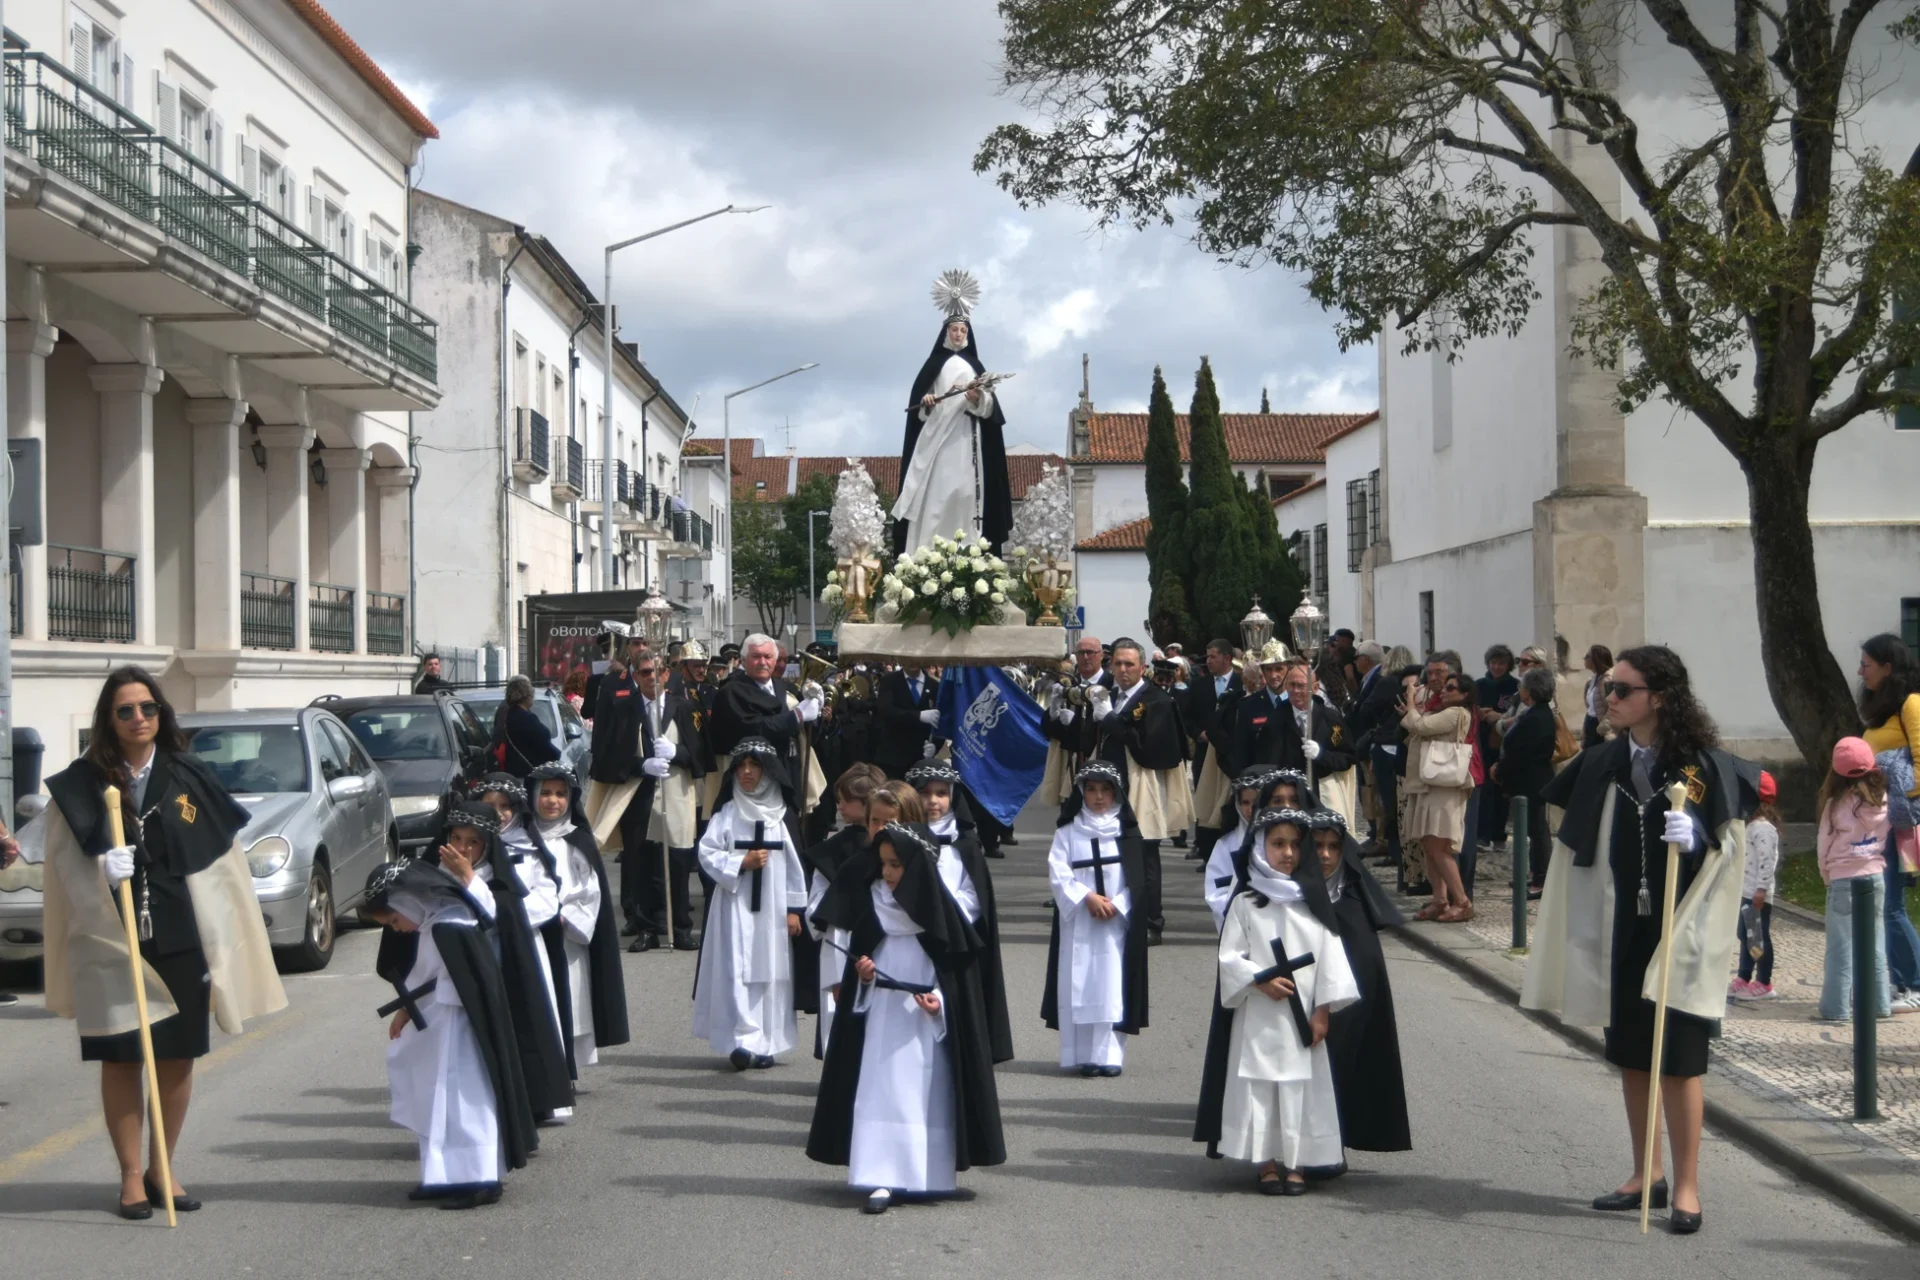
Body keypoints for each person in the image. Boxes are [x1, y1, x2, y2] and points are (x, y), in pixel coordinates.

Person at [37, 666, 286, 1219]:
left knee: (176, 1057)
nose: (138, 719)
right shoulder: (81, 783)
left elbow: (220, 866)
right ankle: (130, 1176)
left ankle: (162, 1168)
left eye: (147, 708)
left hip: (178, 933)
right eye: (125, 710)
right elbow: (59, 866)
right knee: (122, 1057)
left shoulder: (187, 775)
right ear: (109, 719)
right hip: (112, 937)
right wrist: (98, 868)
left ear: (160, 714)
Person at [1522, 645, 1753, 1236]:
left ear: (1662, 699)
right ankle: (1644, 1173)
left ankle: (1688, 1187)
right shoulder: (1602, 762)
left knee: (1679, 1063)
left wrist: (1696, 837)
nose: (1609, 699)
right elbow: (1574, 847)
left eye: (1623, 690)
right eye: (1608, 690)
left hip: (1678, 932)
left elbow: (1733, 852)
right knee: (1631, 1056)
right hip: (1619, 927)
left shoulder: (1703, 766)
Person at [806, 822, 1007, 1213]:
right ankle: (881, 1175)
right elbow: (861, 964)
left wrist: (939, 1004)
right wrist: (863, 977)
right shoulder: (873, 905)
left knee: (919, 1097)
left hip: (921, 1024)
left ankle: (923, 1174)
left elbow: (955, 982)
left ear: (915, 866)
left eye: (895, 865)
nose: (887, 873)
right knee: (880, 1094)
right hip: (881, 1018)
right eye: (883, 865)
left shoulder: (938, 914)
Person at [365, 859, 534, 1210]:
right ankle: (442, 1175)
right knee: (435, 1100)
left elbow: (467, 984)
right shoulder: (433, 925)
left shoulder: (451, 926)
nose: (397, 929)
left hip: (462, 1033)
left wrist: (423, 1008)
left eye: (394, 920)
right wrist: (404, 1010)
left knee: (465, 1103)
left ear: (407, 903)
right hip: (440, 1026)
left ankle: (482, 1177)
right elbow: (425, 975)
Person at [1213, 806, 1359, 1195]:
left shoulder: (1314, 901)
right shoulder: (1246, 902)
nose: (1288, 853)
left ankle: (1298, 1163)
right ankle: (1265, 1162)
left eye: (1296, 844)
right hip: (1261, 1014)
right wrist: (1258, 981)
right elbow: (1230, 957)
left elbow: (1330, 960)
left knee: (1301, 1089)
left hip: (1304, 1016)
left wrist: (1323, 1011)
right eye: (1278, 844)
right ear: (1261, 847)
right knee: (1260, 1087)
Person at [415, 800, 575, 1125]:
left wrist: (469, 878)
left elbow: (492, 917)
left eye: (473, 842)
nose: (462, 848)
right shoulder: (431, 878)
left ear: (487, 844)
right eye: (457, 839)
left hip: (493, 976)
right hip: (444, 983)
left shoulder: (499, 883)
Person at [692, 740, 807, 1069]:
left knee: (770, 972)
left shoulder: (780, 815)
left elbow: (795, 867)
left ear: (767, 771)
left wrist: (795, 909)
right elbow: (706, 852)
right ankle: (740, 1041)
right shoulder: (728, 812)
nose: (746, 772)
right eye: (741, 765)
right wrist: (741, 861)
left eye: (754, 766)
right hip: (733, 906)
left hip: (772, 907)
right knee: (736, 970)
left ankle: (766, 1042)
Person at [1311, 809, 1411, 1160]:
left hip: (1348, 1009)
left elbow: (1367, 962)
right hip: (1304, 1006)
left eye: (1334, 847)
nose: (1325, 855)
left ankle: (1334, 1144)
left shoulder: (1354, 901)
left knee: (1346, 1068)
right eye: (1317, 846)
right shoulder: (1288, 896)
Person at [475, 776, 576, 1121]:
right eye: (491, 807)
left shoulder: (528, 848)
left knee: (531, 1016)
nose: (500, 814)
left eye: (506, 806)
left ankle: (539, 1096)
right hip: (481, 947)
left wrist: (508, 917)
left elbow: (548, 898)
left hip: (524, 946)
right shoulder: (467, 848)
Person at [1042, 761, 1150, 1076]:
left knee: (1111, 987)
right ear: (1081, 792)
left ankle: (1110, 1055)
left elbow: (1140, 880)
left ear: (1116, 792)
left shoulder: (1127, 833)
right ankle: (1082, 1055)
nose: (1099, 797)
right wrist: (1086, 897)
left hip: (1115, 925)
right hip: (1080, 923)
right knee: (1080, 984)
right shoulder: (1067, 833)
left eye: (1105, 789)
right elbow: (1058, 873)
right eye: (1091, 789)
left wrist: (1117, 904)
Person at [907, 758, 1014, 1064]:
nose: (932, 801)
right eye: (924, 793)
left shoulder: (965, 844)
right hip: (911, 934)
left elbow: (973, 894)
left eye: (941, 793)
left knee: (950, 994)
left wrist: (946, 917)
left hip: (955, 935)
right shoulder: (902, 838)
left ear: (952, 796)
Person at [1087, 637, 1193, 946]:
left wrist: (1110, 720)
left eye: (1129, 664)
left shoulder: (1156, 700)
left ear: (1142, 667)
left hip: (1141, 786)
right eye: (1117, 663)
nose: (1122, 670)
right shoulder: (1113, 696)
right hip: (1109, 788)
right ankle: (1118, 911)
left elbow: (1150, 748)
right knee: (1110, 853)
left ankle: (1151, 921)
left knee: (1145, 855)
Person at [526, 763, 630, 1069]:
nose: (552, 800)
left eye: (560, 794)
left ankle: (566, 1064)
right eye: (545, 793)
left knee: (570, 998)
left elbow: (590, 891)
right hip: (531, 931)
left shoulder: (577, 841)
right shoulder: (521, 840)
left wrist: (567, 917)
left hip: (567, 935)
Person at [892, 298, 1013, 555]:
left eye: (963, 330)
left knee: (965, 494)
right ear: (946, 332)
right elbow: (920, 409)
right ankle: (927, 554)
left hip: (968, 440)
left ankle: (968, 551)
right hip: (938, 443)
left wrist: (977, 399)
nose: (958, 335)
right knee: (937, 495)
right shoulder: (934, 365)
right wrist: (927, 403)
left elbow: (991, 410)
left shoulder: (975, 367)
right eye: (954, 330)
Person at [803, 765, 887, 1057]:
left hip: (884, 938)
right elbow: (816, 900)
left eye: (845, 799)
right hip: (842, 939)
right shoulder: (833, 849)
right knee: (840, 1006)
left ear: (867, 803)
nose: (839, 805)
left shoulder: (891, 847)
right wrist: (822, 920)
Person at [1858, 633, 1920, 1009]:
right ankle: (1901, 981)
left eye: (1866, 663)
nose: (1860, 670)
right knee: (1885, 903)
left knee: (1891, 904)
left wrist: (1897, 793)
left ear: (1887, 667)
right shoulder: (1883, 710)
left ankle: (1914, 983)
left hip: (1898, 820)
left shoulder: (1911, 704)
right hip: (1877, 817)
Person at [710, 633, 826, 823]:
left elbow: (802, 731)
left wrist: (815, 709)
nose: (763, 662)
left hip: (787, 767)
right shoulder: (731, 691)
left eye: (768, 657)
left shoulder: (782, 688)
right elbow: (753, 728)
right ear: (744, 661)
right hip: (752, 775)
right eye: (756, 657)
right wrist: (797, 716)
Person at [1816, 738, 1892, 1023]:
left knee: (1840, 947)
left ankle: (1836, 1008)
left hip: (1843, 880)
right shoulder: (1882, 800)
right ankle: (1879, 1004)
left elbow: (1824, 845)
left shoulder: (1835, 806)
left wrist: (1827, 875)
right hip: (1875, 875)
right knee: (1875, 943)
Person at [1401, 668, 1477, 923]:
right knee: (1428, 843)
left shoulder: (1457, 713)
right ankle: (1439, 899)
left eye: (1451, 688)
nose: (1444, 690)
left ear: (1465, 694)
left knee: (1438, 845)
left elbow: (1420, 725)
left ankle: (1463, 901)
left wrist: (1411, 699)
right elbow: (1415, 724)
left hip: (1444, 787)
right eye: (1445, 687)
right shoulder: (1445, 711)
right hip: (1431, 783)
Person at [1493, 666, 1560, 895]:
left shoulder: (1536, 717)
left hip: (1532, 780)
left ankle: (1541, 879)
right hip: (1529, 779)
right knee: (1534, 829)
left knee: (1537, 829)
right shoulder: (1533, 713)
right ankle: (1535, 874)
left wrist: (1501, 769)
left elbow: (1520, 750)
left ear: (1530, 691)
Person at [1189, 638, 1248, 868]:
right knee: (1206, 803)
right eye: (1208, 656)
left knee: (1228, 803)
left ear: (1227, 658)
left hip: (1230, 753)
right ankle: (1208, 853)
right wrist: (1198, 733)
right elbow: (1188, 717)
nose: (1209, 661)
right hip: (1205, 752)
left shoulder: (1240, 681)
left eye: (1213, 656)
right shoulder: (1199, 685)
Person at [1205, 767, 1283, 929]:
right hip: (1242, 923)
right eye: (1245, 803)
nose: (1250, 809)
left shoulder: (1289, 841)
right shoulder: (1227, 845)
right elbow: (1216, 893)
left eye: (1256, 802)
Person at [1731, 772, 1781, 1000]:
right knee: (1745, 935)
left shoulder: (1762, 828)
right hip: (1747, 890)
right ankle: (1744, 975)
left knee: (1758, 938)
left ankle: (1764, 981)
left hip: (1757, 893)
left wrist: (1762, 888)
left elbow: (1767, 860)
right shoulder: (1750, 826)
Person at [1475, 645, 1519, 853]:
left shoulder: (1515, 687)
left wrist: (1498, 716)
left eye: (1501, 663)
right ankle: (1482, 835)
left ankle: (1499, 834)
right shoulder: (1479, 685)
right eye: (1493, 663)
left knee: (1502, 789)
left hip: (1505, 743)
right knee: (1483, 789)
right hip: (1482, 741)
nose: (1497, 667)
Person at [874, 663, 943, 780]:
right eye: (908, 658)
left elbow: (941, 719)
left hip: (921, 758)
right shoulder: (889, 681)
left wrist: (936, 745)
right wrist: (918, 716)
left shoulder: (934, 685)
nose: (912, 661)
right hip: (893, 758)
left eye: (916, 658)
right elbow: (886, 711)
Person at [496, 675, 559, 780]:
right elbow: (544, 743)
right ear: (527, 695)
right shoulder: (525, 719)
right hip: (526, 776)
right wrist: (557, 755)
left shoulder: (507, 714)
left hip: (513, 773)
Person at [1582, 644, 1614, 748]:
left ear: (1596, 659)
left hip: (1601, 727)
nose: (1584, 658)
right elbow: (1591, 706)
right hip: (1590, 723)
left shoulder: (1608, 680)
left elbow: (1614, 707)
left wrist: (1603, 728)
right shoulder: (1592, 680)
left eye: (1587, 656)